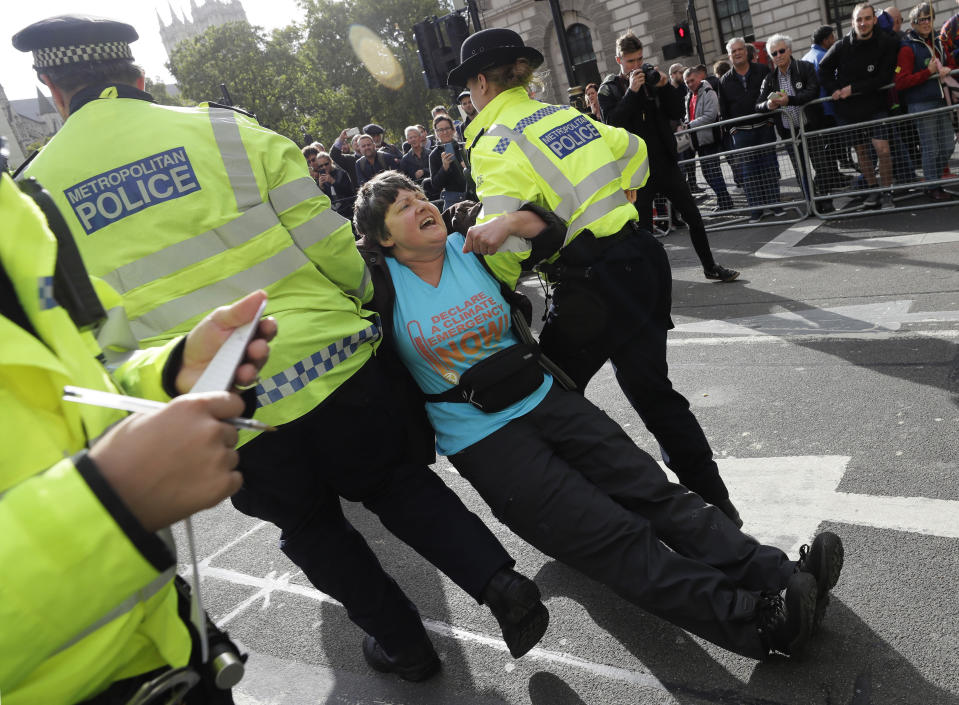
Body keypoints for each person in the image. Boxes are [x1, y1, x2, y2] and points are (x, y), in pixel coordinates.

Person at [13, 14, 548, 682]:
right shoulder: (229, 130)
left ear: (53, 90)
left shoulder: (34, 195)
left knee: (312, 529)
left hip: (225, 400)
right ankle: (500, 583)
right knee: (398, 485)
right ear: (138, 75)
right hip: (335, 362)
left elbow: (89, 341)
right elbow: (329, 245)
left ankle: (405, 646)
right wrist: (363, 304)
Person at [354, 170, 847, 663]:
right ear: (382, 237)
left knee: (655, 491)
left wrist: (509, 222)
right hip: (484, 438)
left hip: (548, 398)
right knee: (616, 537)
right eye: (402, 206)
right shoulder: (376, 286)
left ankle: (783, 575)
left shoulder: (473, 244)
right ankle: (760, 622)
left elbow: (551, 230)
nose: (421, 205)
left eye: (420, 196)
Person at [0, 160, 276, 704]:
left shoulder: (19, 207)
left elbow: (76, 383)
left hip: (175, 654)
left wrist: (168, 378)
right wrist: (107, 505)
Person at [446, 27, 743, 525]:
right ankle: (717, 508)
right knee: (654, 392)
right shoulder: (561, 114)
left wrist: (486, 290)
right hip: (641, 262)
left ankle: (607, 513)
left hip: (592, 282)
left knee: (551, 400)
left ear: (480, 83)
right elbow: (634, 151)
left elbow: (506, 239)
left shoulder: (495, 139)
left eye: (468, 89)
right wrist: (623, 196)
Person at [599, 31, 739, 281]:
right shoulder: (609, 89)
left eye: (639, 59)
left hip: (664, 161)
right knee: (642, 230)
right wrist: (632, 91)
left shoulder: (653, 80)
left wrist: (663, 87)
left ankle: (710, 266)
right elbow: (613, 124)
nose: (637, 66)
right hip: (636, 170)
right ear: (618, 59)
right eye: (631, 61)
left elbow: (676, 112)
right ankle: (647, 282)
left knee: (694, 217)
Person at [819, 3, 900, 209]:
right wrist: (835, 89)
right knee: (861, 151)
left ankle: (887, 192)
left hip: (875, 104)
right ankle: (872, 191)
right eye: (858, 19)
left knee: (882, 150)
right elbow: (823, 70)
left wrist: (852, 88)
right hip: (849, 109)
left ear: (874, 19)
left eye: (866, 18)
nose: (862, 23)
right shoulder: (842, 45)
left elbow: (884, 77)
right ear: (853, 22)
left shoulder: (887, 43)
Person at [755, 34, 836, 212]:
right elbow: (758, 105)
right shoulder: (769, 79)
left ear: (789, 50)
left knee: (821, 164)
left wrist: (789, 100)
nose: (778, 55)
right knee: (800, 170)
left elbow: (812, 92)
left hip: (810, 126)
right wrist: (768, 104)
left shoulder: (805, 68)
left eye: (781, 51)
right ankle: (811, 202)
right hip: (788, 131)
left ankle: (825, 199)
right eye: (774, 53)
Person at [895, 2, 957, 201]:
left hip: (941, 100)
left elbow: (949, 64)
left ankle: (933, 181)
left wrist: (946, 67)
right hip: (921, 103)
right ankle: (932, 186)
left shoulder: (937, 41)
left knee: (947, 145)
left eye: (928, 18)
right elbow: (901, 81)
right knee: (931, 148)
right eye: (921, 19)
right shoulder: (907, 48)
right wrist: (927, 73)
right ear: (913, 22)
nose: (926, 23)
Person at [718, 37, 784, 222]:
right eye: (733, 51)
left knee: (769, 167)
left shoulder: (763, 71)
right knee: (748, 172)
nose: (737, 53)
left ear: (746, 52)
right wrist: (732, 131)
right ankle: (756, 210)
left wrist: (771, 122)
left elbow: (774, 95)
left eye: (740, 49)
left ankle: (775, 205)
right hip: (741, 133)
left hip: (764, 128)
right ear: (729, 56)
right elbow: (723, 110)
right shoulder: (724, 81)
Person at [681, 65, 734, 210]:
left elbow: (710, 116)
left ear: (699, 78)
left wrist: (690, 125)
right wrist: (686, 123)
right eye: (687, 82)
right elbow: (689, 114)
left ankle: (725, 201)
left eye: (692, 80)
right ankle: (724, 200)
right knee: (708, 173)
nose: (690, 84)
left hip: (709, 139)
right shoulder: (690, 95)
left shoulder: (708, 92)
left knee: (713, 172)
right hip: (698, 140)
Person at [428, 114, 470, 209]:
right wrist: (444, 168)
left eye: (447, 128)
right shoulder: (434, 155)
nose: (445, 132)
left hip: (473, 194)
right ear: (436, 133)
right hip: (453, 201)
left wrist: (468, 168)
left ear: (453, 129)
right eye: (440, 130)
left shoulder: (464, 147)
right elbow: (435, 185)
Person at [314, 150, 357, 219]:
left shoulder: (341, 173)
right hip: (333, 213)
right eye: (321, 166)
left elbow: (349, 192)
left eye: (326, 164)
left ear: (331, 162)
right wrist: (321, 187)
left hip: (348, 210)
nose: (324, 167)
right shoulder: (320, 179)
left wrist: (333, 182)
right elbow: (321, 201)